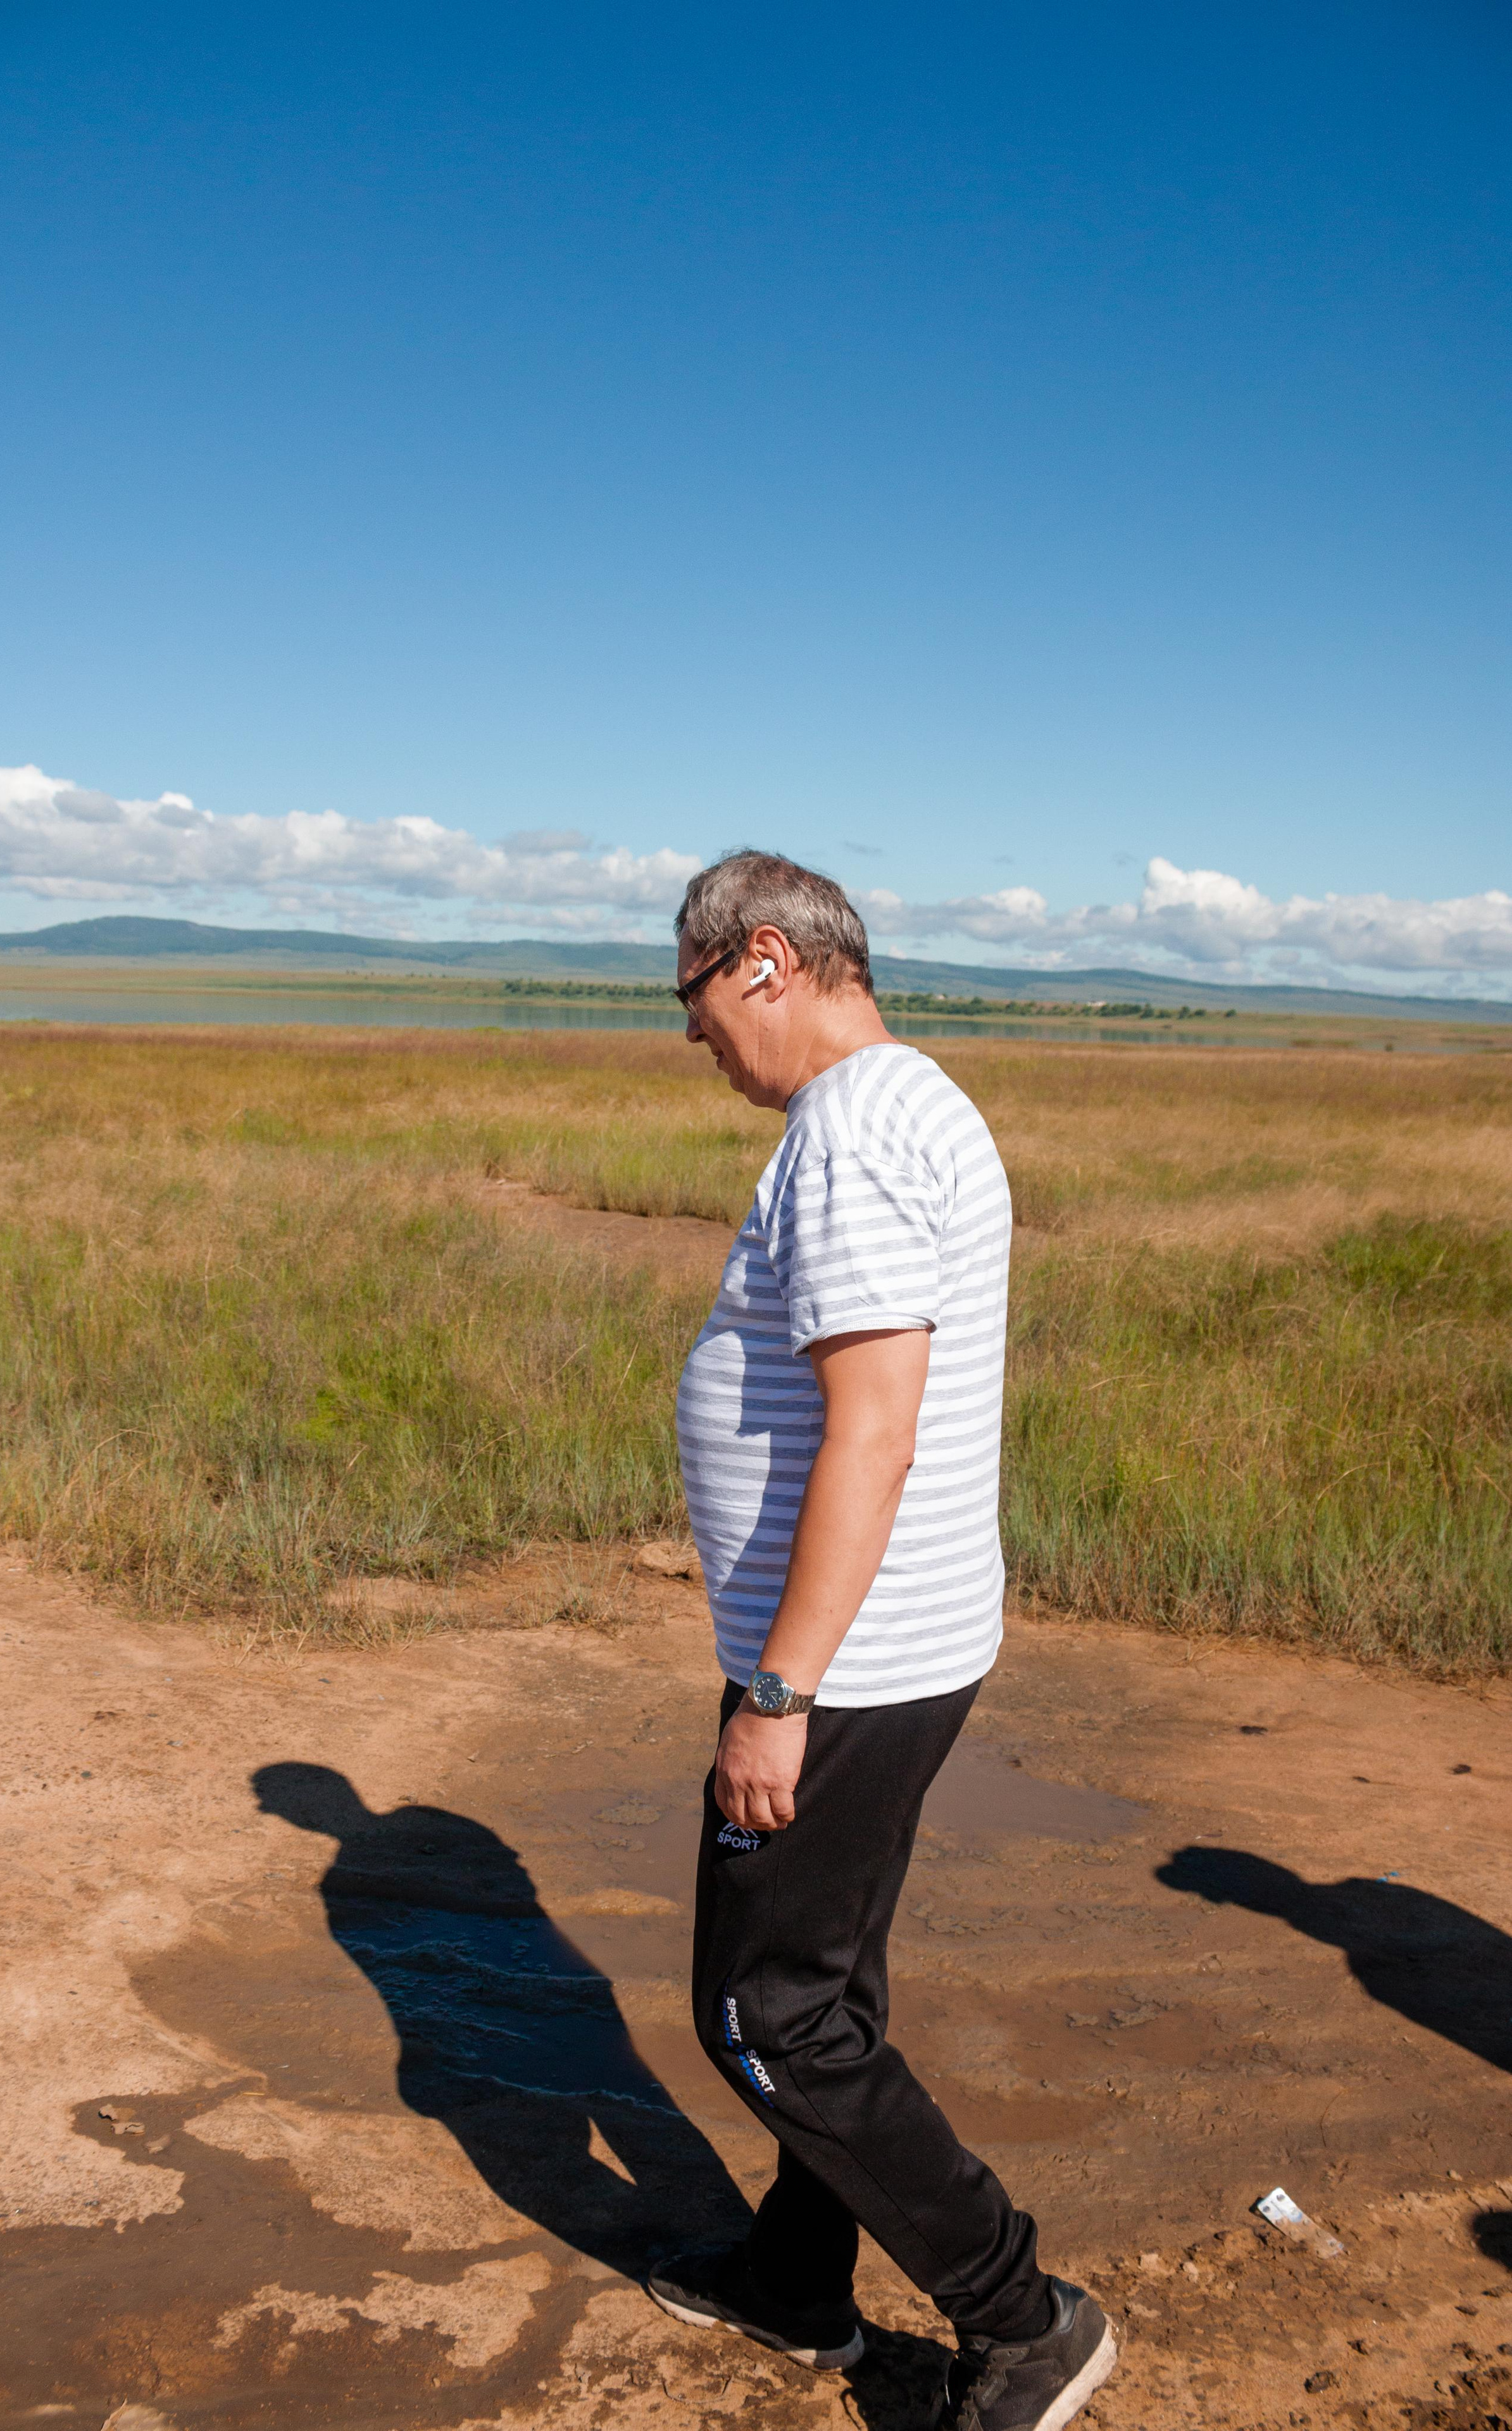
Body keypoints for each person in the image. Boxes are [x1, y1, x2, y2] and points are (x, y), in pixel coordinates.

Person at [645, 851, 1116, 2431]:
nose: (694, 1036)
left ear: (763, 960)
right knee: (828, 1985)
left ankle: (1018, 2313)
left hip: (842, 1667)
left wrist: (776, 1695)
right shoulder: (918, 1098)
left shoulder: (845, 1133)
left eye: (693, 998)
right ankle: (794, 2283)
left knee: (762, 2018)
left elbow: (872, 1434)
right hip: (897, 1644)